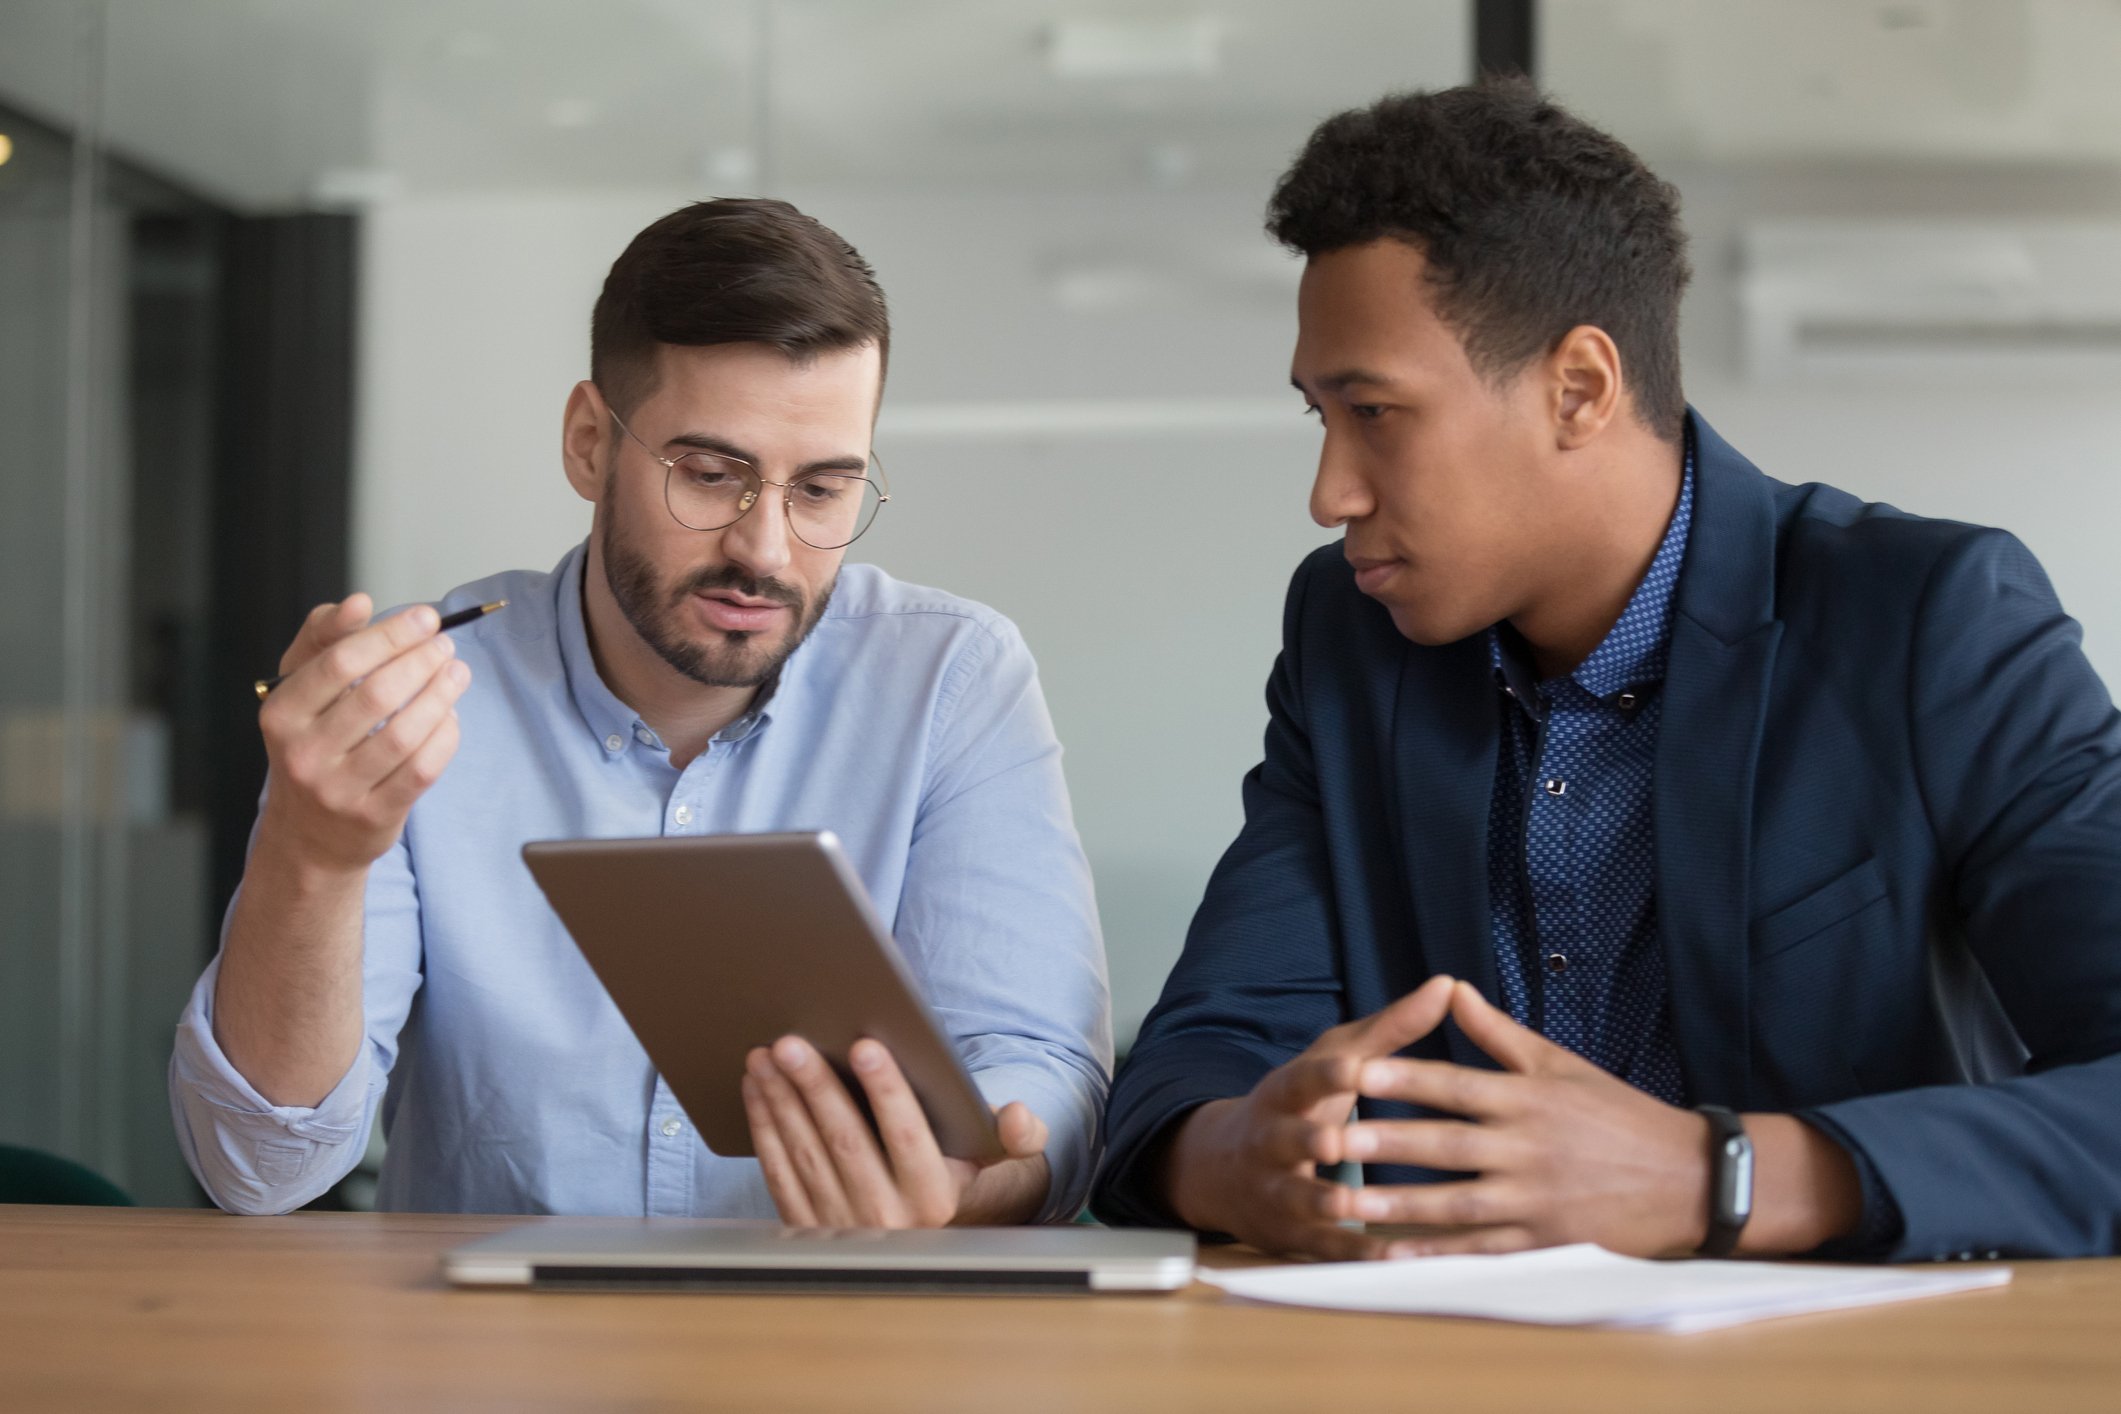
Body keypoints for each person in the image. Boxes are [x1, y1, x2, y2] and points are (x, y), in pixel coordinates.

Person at [1092, 79, 2121, 1262]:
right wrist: (1241, 1158)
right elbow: (1201, 1057)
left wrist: (1714, 1176)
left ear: (1579, 387)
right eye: (1319, 417)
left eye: (1375, 413)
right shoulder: (1350, 637)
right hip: (1449, 1359)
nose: (1331, 493)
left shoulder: (1933, 622)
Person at [172, 198, 1111, 1225]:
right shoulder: (414, 694)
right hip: (496, 1368)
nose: (766, 549)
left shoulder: (951, 679)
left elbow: (1038, 1070)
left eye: (823, 491)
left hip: (838, 1355)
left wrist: (971, 1186)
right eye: (710, 475)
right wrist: (314, 856)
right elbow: (259, 1168)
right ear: (588, 443)